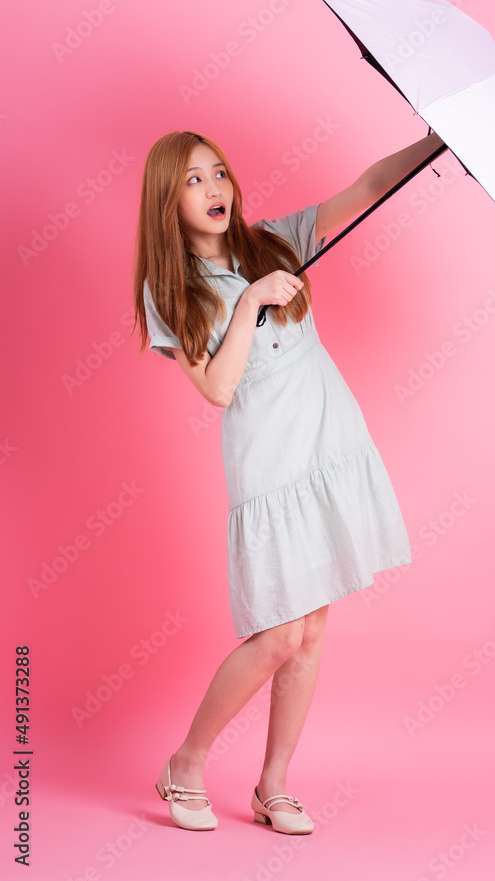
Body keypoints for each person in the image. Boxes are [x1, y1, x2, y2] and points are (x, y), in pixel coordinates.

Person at [132, 128, 444, 835]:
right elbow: (215, 387)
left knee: (311, 629)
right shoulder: (170, 287)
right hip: (270, 467)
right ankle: (186, 761)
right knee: (278, 633)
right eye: (192, 181)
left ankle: (272, 783)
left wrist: (429, 147)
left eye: (219, 173)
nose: (214, 189)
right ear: (165, 199)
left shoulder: (274, 239)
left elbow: (363, 190)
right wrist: (250, 302)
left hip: (328, 446)